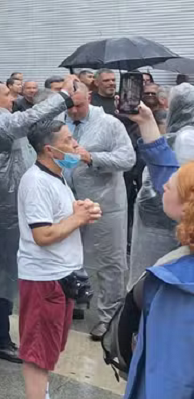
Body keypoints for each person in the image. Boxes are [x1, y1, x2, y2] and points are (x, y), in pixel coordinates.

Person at [0, 76, 88, 363]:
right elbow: (27, 120)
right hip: (0, 211)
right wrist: (64, 97)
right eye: (7, 94)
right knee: (1, 273)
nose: (12, 98)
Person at [18, 121, 102, 399]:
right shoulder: (37, 182)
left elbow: (57, 218)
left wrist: (80, 210)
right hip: (44, 278)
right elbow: (42, 234)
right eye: (67, 141)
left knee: (50, 347)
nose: (75, 145)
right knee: (38, 353)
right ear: (49, 149)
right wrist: (78, 218)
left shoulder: (57, 177)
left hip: (61, 276)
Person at [122, 145, 194, 397]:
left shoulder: (177, 284)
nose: (164, 185)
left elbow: (170, 375)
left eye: (171, 186)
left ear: (187, 207)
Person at [65, 94, 135, 339]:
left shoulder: (109, 124)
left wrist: (92, 157)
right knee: (70, 256)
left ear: (89, 98)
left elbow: (128, 158)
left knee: (109, 261)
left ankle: (109, 318)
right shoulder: (61, 121)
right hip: (69, 202)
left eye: (79, 105)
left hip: (104, 204)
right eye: (70, 106)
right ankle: (76, 300)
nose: (74, 110)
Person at [129, 82, 194, 285]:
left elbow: (167, 176)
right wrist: (147, 122)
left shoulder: (185, 140)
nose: (165, 186)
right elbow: (166, 172)